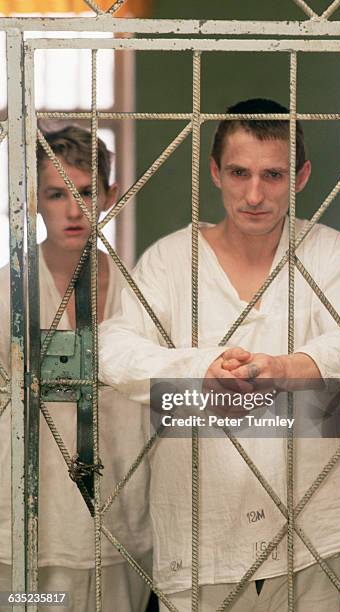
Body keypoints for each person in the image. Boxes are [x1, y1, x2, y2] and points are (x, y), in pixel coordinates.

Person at [99, 98, 340, 611]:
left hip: (309, 519)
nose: (254, 194)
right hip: (202, 520)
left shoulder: (328, 251)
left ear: (301, 176)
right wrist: (197, 368)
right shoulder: (169, 259)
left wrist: (284, 368)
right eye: (239, 173)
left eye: (273, 175)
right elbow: (113, 348)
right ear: (214, 173)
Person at [0, 126, 151, 612]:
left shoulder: (139, 291)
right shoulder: (9, 290)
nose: (72, 208)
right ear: (35, 201)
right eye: (56, 193)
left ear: (108, 195)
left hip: (121, 515)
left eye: (85, 192)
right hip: (27, 522)